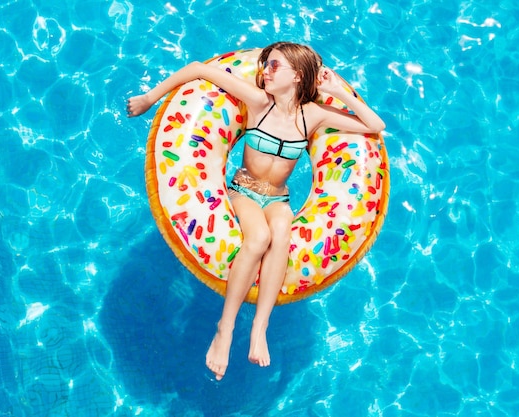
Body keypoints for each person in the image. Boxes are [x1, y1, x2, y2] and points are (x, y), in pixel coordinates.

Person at [127, 41, 385, 381]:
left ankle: (260, 328)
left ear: (298, 76)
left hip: (278, 199)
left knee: (281, 233)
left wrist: (338, 90)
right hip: (244, 191)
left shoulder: (314, 116)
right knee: (259, 236)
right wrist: (149, 98)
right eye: (265, 64)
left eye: (275, 66)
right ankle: (226, 327)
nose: (265, 70)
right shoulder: (259, 101)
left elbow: (374, 125)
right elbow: (199, 68)